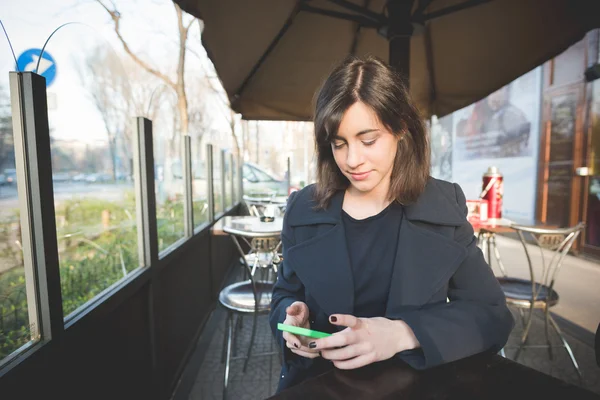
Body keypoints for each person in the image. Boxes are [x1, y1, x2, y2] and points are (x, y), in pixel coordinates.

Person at [269, 56, 514, 393]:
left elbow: (491, 316)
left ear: (401, 128)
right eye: (339, 144)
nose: (352, 160)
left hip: (418, 388)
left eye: (368, 140)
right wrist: (290, 316)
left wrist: (404, 332)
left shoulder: (443, 205)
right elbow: (284, 294)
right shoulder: (303, 209)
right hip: (321, 387)